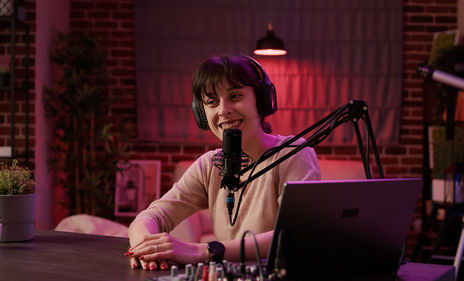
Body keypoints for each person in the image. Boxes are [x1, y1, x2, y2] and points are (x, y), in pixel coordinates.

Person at [124, 54, 320, 271]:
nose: (223, 110)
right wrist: (147, 248)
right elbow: (152, 216)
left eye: (235, 96)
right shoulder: (209, 165)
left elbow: (295, 234)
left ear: (262, 100)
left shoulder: (294, 153)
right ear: (202, 113)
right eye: (211, 102)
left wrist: (205, 251)